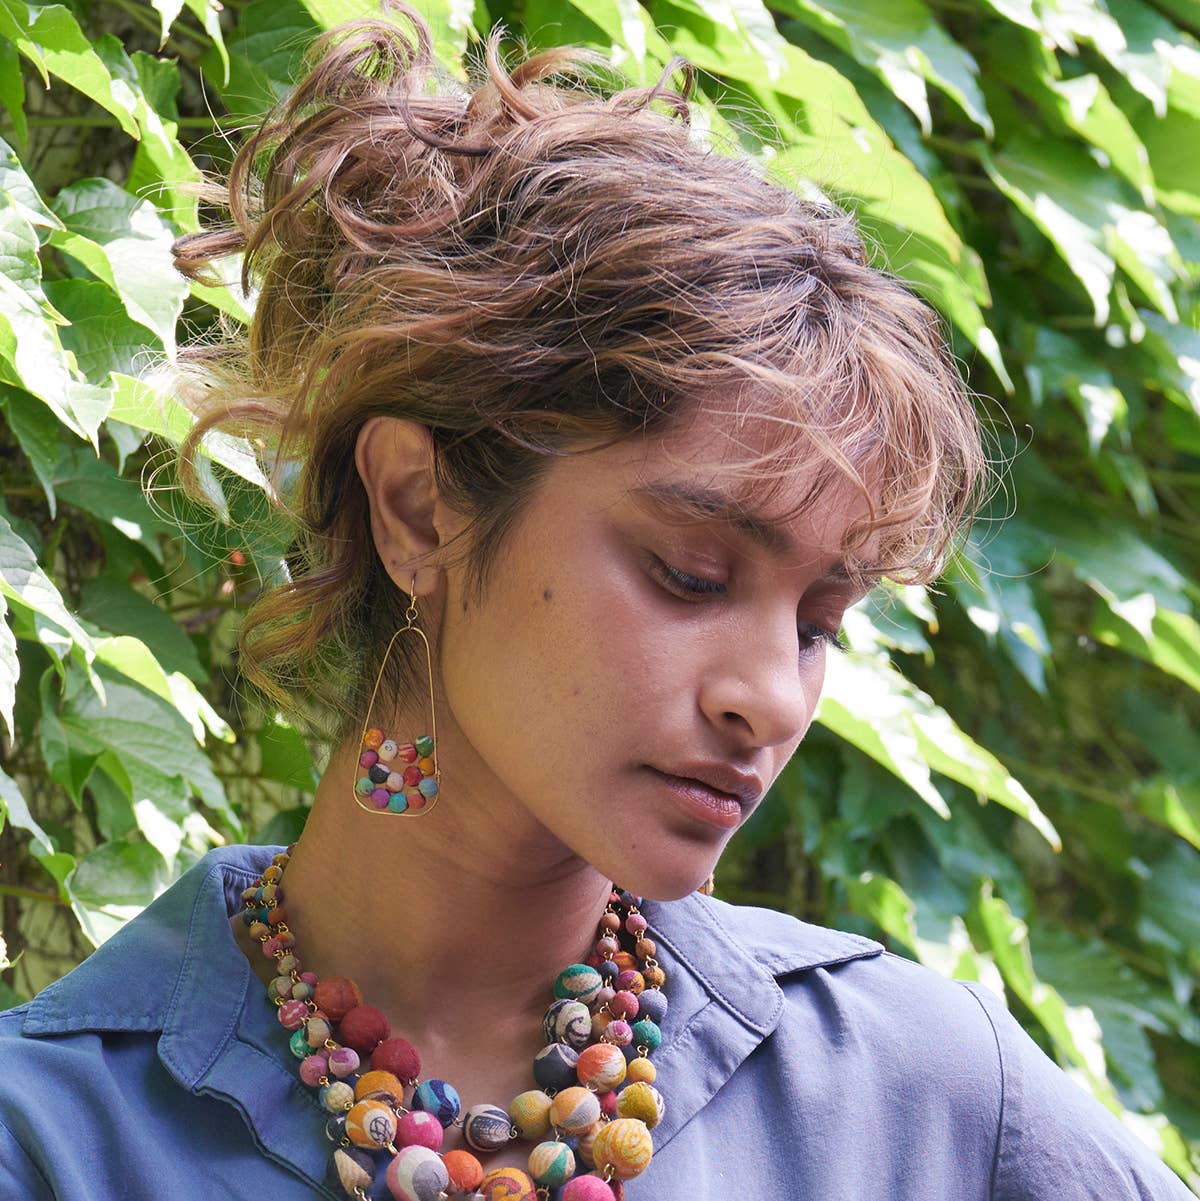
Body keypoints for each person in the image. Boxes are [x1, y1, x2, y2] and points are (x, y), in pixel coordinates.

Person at [0, 4, 1192, 1199]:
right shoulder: (54, 1139)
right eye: (691, 574)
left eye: (819, 624)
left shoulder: (923, 1103)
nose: (772, 699)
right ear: (417, 507)